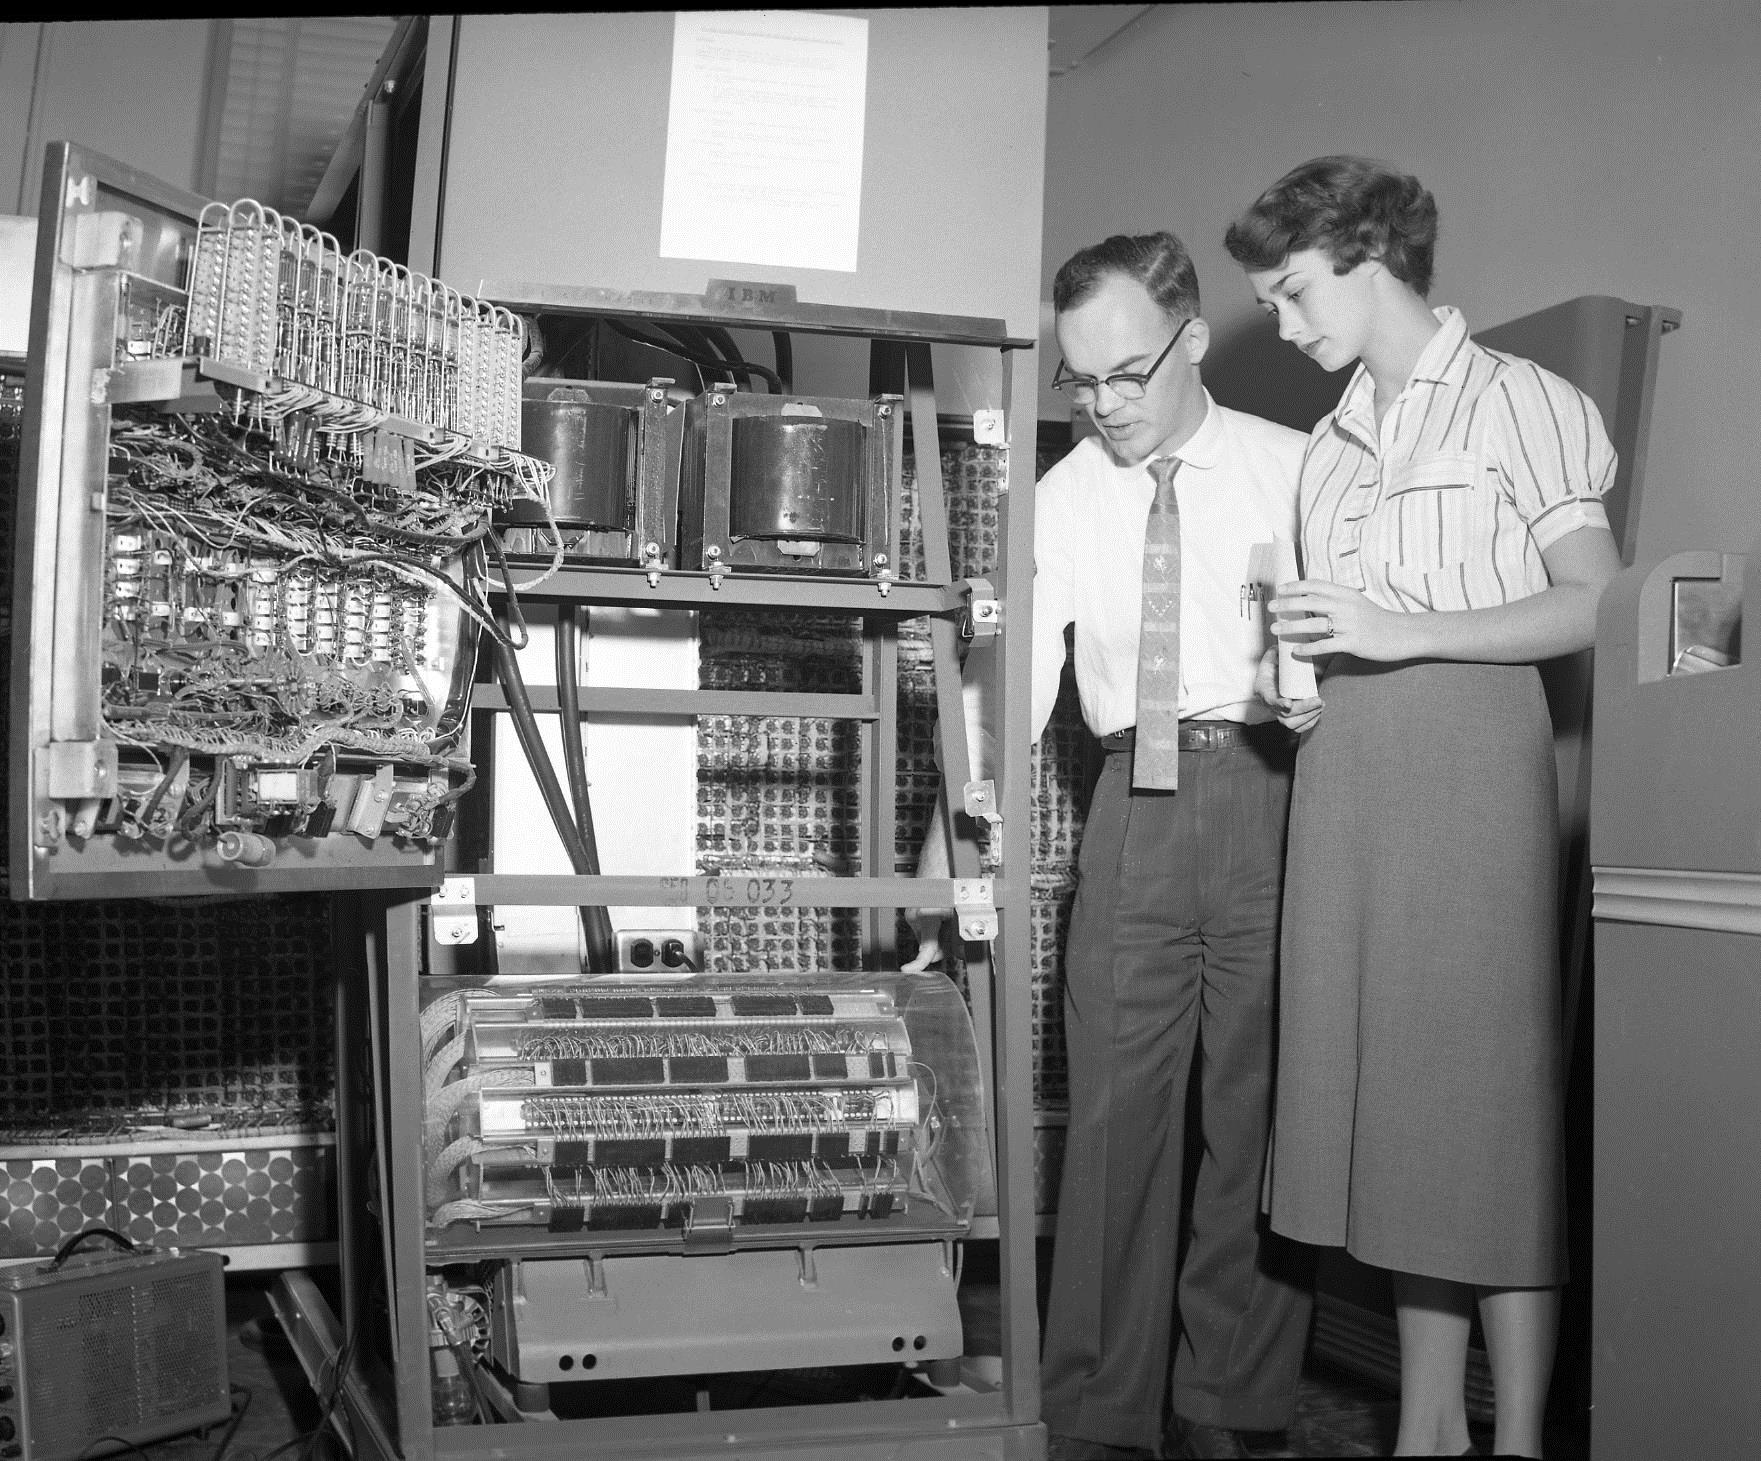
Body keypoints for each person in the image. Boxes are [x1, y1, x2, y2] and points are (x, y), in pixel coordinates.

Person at [1223, 156, 1622, 1459]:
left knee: (1484, 1115)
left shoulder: (1522, 400)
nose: (1284, 325)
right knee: (1401, 1112)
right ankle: (1431, 1429)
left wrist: (1403, 630)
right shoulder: (1329, 449)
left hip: (1469, 766)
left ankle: (1519, 1440)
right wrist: (1294, 688)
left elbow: (1597, 602)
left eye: (1293, 292)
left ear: (1369, 255)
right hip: (1349, 774)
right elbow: (1343, 632)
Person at [908, 232, 1313, 1461]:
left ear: (1194, 339)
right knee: (1115, 1120)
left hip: (1278, 794)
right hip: (1132, 808)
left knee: (1258, 1118)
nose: (1104, 403)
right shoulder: (1066, 495)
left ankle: (1231, 1400)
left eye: (1127, 373)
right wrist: (947, 842)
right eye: (1080, 380)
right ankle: (1097, 1405)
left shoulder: (1300, 469)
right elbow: (1006, 688)